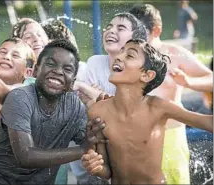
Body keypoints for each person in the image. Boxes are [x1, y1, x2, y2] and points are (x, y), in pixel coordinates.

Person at [81, 39, 213, 185]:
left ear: (146, 75)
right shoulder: (97, 111)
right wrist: (95, 165)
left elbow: (207, 122)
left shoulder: (158, 108)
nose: (118, 56)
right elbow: (106, 172)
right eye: (121, 51)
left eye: (130, 55)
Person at [0, 39, 103, 185]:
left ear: (73, 81)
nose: (58, 71)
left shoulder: (74, 107)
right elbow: (25, 156)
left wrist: (93, 149)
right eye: (51, 64)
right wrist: (82, 150)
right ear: (35, 70)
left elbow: (93, 143)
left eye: (67, 69)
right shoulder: (19, 98)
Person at [128, 4, 213, 184]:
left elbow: (211, 78)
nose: (135, 40)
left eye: (140, 35)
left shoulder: (174, 55)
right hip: (136, 136)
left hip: (171, 135)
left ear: (156, 31)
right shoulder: (129, 57)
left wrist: (190, 82)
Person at [84, 12, 147, 96]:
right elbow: (87, 99)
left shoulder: (139, 70)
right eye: (108, 27)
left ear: (135, 39)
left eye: (120, 28)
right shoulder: (95, 62)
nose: (111, 31)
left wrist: (95, 93)